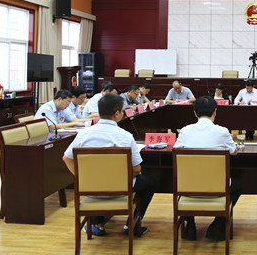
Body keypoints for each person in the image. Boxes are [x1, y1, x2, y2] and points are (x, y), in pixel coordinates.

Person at [62, 94, 155, 236]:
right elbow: (136, 169)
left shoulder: (83, 134)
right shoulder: (125, 136)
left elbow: (67, 159)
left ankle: (97, 225)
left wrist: (82, 179)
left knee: (98, 180)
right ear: (117, 114)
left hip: (91, 188)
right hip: (121, 188)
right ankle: (131, 225)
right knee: (149, 184)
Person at [174, 96, 241, 241]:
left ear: (195, 113)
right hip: (217, 189)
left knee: (190, 177)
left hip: (187, 189)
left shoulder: (185, 131)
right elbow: (234, 152)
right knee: (237, 186)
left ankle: (190, 226)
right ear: (215, 112)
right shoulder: (222, 131)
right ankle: (217, 225)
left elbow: (176, 150)